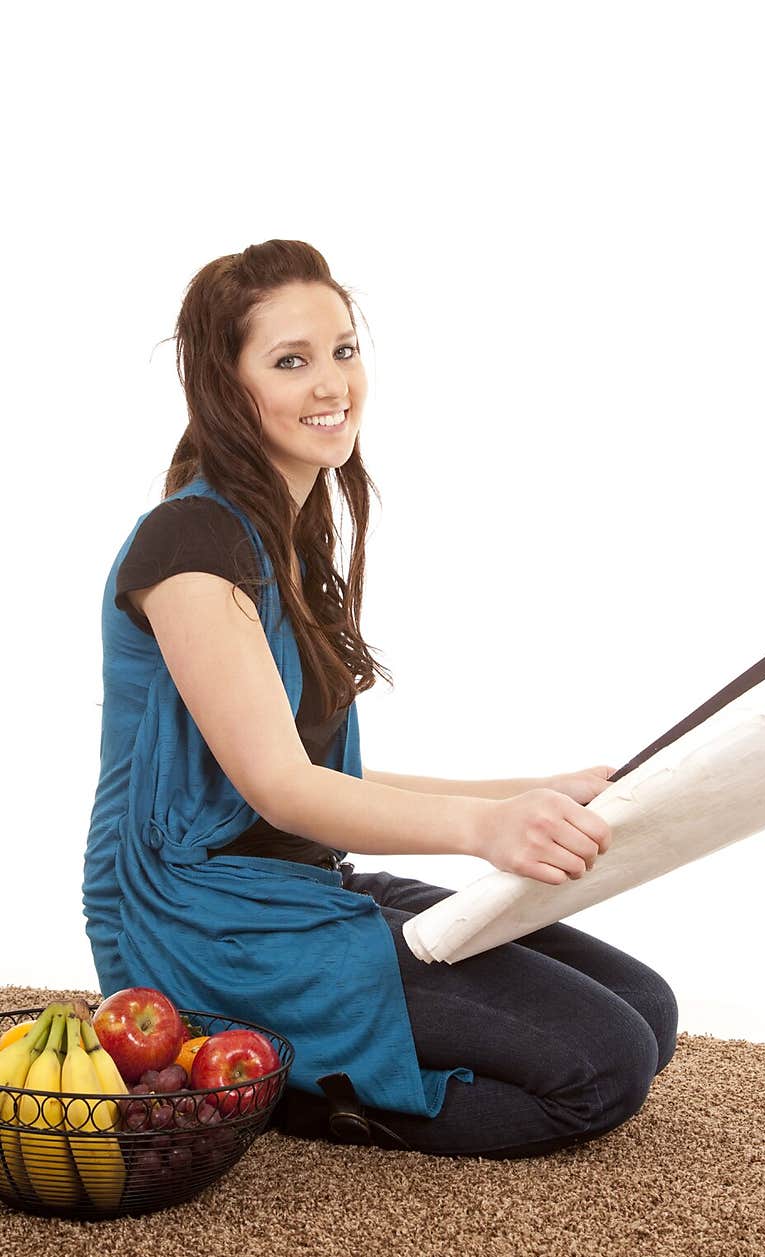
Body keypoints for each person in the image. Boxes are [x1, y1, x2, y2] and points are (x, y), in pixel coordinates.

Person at [82, 238, 677, 1160]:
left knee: (647, 1011)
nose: (333, 384)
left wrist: (535, 789)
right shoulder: (191, 547)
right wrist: (484, 833)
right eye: (292, 361)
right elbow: (282, 788)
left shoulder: (286, 529)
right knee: (600, 1068)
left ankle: (316, 1056)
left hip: (299, 885)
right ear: (225, 385)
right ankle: (284, 1095)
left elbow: (322, 774)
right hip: (200, 921)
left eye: (343, 350)